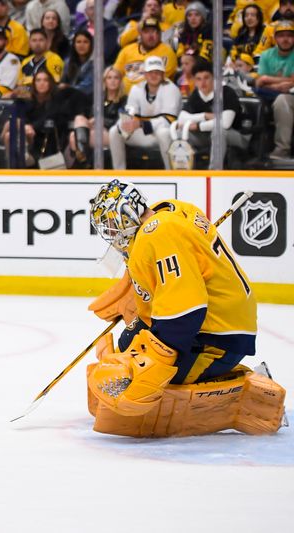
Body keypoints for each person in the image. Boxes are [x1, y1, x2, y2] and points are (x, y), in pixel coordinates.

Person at [85, 179, 285, 437]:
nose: (111, 234)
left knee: (141, 381)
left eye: (112, 225)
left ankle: (248, 390)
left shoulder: (158, 234)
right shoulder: (167, 211)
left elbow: (187, 309)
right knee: (124, 348)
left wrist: (157, 362)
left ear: (127, 215)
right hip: (218, 315)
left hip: (218, 332)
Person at [171, 60, 247, 168]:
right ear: (194, 81)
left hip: (234, 135)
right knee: (180, 133)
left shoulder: (226, 92)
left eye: (206, 78)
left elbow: (225, 123)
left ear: (214, 77)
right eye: (198, 79)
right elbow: (182, 118)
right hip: (207, 136)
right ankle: (183, 172)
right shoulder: (197, 94)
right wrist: (204, 116)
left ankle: (214, 173)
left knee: (218, 131)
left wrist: (198, 125)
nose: (203, 83)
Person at [109, 55, 181, 169]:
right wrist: (125, 123)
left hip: (168, 134)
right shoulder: (136, 89)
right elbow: (129, 113)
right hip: (144, 133)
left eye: (157, 72)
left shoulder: (171, 89)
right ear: (145, 74)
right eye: (150, 72)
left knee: (163, 132)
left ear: (163, 74)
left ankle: (172, 173)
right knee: (114, 131)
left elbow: (169, 121)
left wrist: (141, 124)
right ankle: (119, 174)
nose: (154, 75)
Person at [68, 66, 127, 166]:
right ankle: (83, 155)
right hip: (95, 130)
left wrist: (100, 121)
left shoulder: (124, 99)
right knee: (79, 119)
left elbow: (121, 122)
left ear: (120, 81)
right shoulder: (98, 98)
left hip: (112, 134)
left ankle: (83, 160)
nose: (112, 81)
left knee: (74, 137)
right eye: (109, 78)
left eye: (116, 78)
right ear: (105, 81)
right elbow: (90, 118)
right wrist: (93, 121)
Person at [256, 20, 294, 160]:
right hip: (270, 94)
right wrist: (279, 85)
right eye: (281, 35)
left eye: (289, 35)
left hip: (291, 95)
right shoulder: (266, 55)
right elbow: (260, 82)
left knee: (282, 100)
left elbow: (293, 81)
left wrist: (268, 79)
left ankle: (282, 149)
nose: (285, 39)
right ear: (275, 38)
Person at [113, 17, 178, 92]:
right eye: (146, 32)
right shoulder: (127, 50)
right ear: (140, 34)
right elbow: (115, 74)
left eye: (154, 31)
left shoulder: (167, 52)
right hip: (124, 98)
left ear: (160, 34)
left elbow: (159, 80)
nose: (150, 35)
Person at [61, 29, 93, 96]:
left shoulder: (95, 64)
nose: (82, 45)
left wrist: (67, 88)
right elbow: (62, 82)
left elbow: (86, 88)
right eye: (78, 42)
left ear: (91, 45)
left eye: (85, 42)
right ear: (74, 45)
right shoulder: (67, 62)